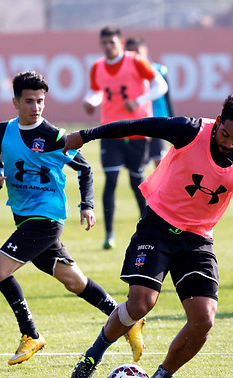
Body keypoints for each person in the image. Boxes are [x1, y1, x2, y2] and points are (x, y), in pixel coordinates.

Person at [64, 94, 233, 378]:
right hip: (158, 227)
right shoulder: (190, 131)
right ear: (217, 122)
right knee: (140, 304)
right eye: (225, 134)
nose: (229, 143)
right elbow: (137, 125)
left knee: (204, 319)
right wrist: (85, 135)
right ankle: (92, 356)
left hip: (198, 240)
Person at [0, 70, 144, 365]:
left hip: (46, 217)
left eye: (41, 101)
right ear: (15, 103)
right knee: (74, 281)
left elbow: (84, 168)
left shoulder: (54, 136)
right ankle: (128, 320)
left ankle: (30, 334)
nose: (36, 107)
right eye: (30, 101)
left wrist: (87, 204)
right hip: (23, 217)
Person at [83, 25, 168, 249]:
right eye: (105, 43)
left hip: (138, 131)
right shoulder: (97, 67)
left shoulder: (136, 61)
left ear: (120, 42)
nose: (109, 47)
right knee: (110, 181)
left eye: (113, 42)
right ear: (100, 44)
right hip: (110, 132)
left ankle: (147, 229)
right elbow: (96, 90)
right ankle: (109, 234)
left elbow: (161, 85)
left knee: (136, 181)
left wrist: (139, 101)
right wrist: (91, 101)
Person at [125, 35, 175, 168]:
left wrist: (172, 121)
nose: (136, 55)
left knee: (159, 160)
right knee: (138, 163)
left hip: (158, 121)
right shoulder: (126, 73)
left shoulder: (158, 70)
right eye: (131, 51)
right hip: (138, 122)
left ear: (145, 50)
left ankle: (161, 188)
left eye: (137, 50)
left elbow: (167, 98)